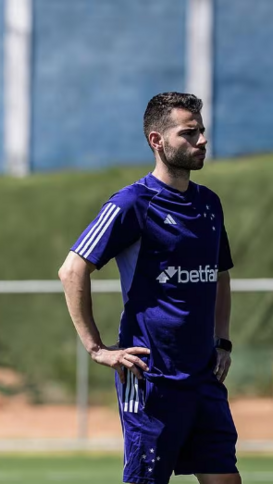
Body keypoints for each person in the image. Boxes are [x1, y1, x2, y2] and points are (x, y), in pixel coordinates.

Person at [58, 92, 240, 484]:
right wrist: (97, 349)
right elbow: (72, 269)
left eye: (202, 131)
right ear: (157, 141)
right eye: (189, 133)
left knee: (225, 479)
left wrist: (222, 341)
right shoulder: (132, 204)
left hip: (204, 376)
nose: (202, 141)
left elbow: (220, 274)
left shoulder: (209, 203)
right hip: (151, 378)